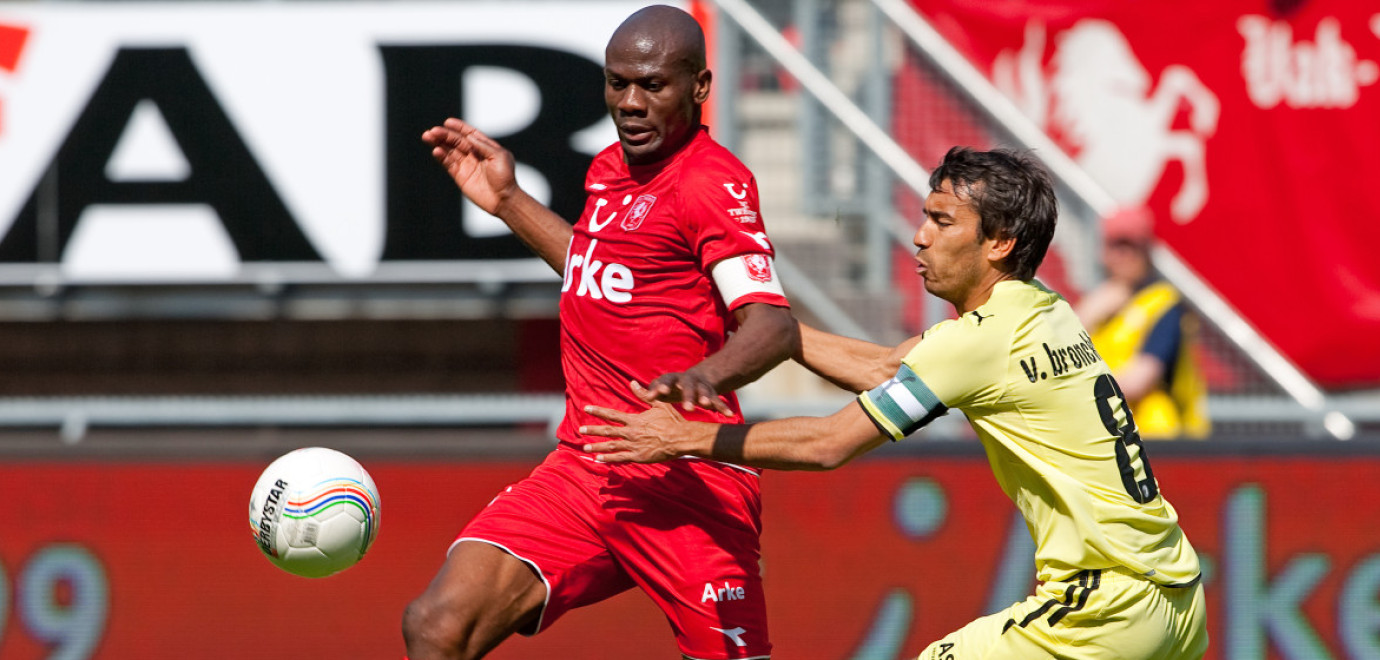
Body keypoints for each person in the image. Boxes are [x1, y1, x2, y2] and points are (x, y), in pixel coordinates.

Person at [583, 147, 1208, 659]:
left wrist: (683, 437)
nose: (918, 237)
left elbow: (829, 445)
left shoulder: (977, 343)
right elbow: (887, 369)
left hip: (1106, 608)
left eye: (941, 221)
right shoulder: (1045, 309)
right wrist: (768, 325)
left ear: (999, 243)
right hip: (1179, 603)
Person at [404, 6, 798, 660]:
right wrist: (508, 201)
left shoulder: (710, 182)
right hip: (586, 470)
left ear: (699, 88)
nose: (632, 103)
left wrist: (706, 375)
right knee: (437, 626)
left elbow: (773, 326)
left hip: (685, 481)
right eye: (618, 84)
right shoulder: (608, 169)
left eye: (653, 85)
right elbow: (604, 271)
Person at [1075, 206, 1210, 439]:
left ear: (1146, 251)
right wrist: (1085, 316)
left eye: (1130, 247)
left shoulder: (1164, 304)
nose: (1121, 257)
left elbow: (1140, 380)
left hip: (1163, 441)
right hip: (1110, 439)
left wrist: (1072, 391)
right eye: (1115, 246)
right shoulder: (1097, 306)